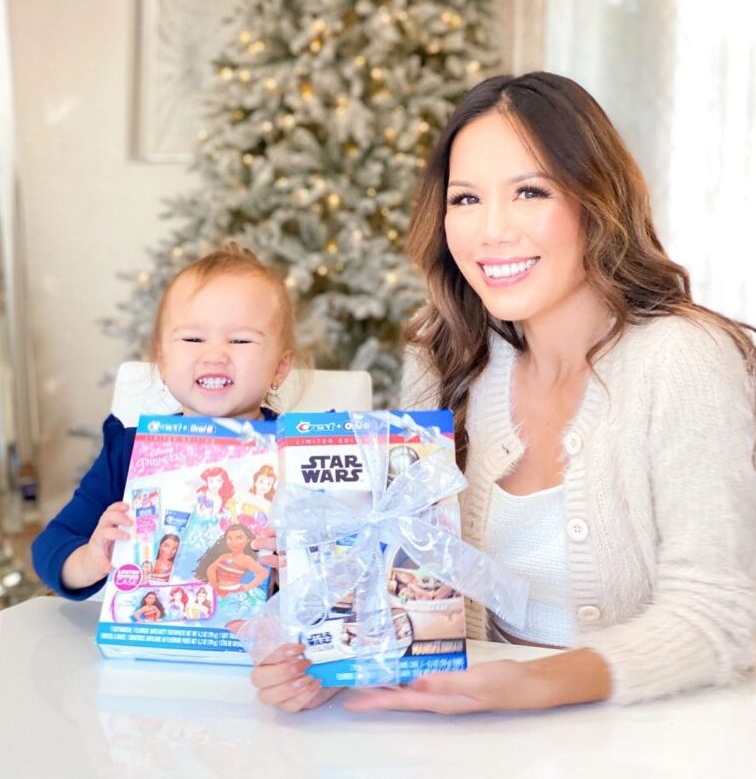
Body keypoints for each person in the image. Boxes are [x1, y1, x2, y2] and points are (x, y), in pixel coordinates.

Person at [253, 71, 756, 713]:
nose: (491, 231)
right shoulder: (442, 357)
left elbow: (718, 615)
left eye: (529, 191)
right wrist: (337, 655)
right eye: (465, 200)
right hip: (468, 739)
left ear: (594, 201)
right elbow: (411, 583)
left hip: (647, 738)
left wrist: (533, 685)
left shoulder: (681, 360)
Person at [32, 244, 297, 598]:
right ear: (163, 357)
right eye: (192, 338)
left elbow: (350, 565)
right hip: (150, 638)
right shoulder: (129, 450)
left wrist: (299, 565)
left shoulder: (297, 454)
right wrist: (91, 559)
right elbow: (49, 549)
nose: (215, 354)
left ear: (280, 366)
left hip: (263, 647)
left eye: (239, 339)